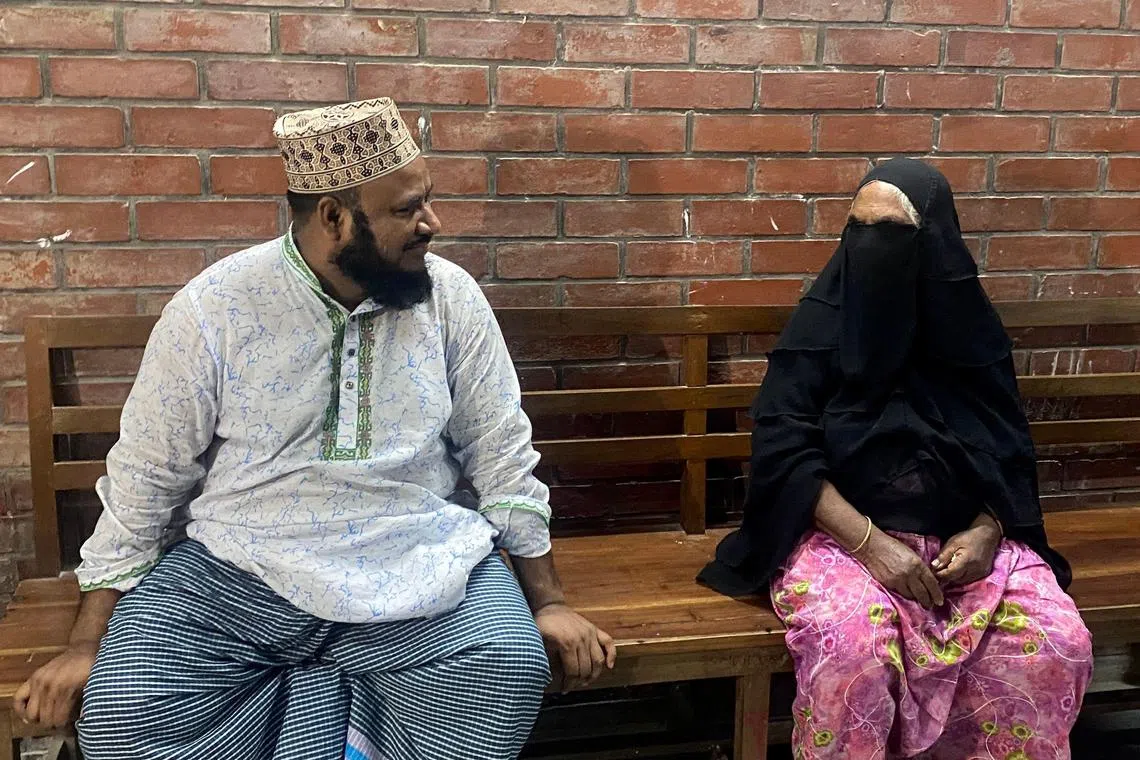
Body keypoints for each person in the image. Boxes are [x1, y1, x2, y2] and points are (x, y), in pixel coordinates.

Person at [13, 98, 615, 760]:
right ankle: (341, 722)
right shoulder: (214, 307)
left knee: (505, 668)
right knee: (125, 709)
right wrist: (84, 645)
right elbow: (146, 475)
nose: (431, 223)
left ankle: (329, 721)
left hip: (416, 563)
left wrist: (549, 602)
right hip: (241, 569)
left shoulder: (451, 300)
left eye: (428, 202)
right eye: (405, 209)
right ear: (333, 217)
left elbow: (501, 454)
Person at [699, 158, 1092, 759]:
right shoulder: (822, 325)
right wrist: (869, 543)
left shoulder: (972, 337)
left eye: (892, 232)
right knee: (853, 645)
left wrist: (987, 529)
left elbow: (1007, 454)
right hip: (838, 536)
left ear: (933, 244)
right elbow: (784, 450)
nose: (870, 248)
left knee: (1054, 640)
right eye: (859, 229)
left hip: (963, 543)